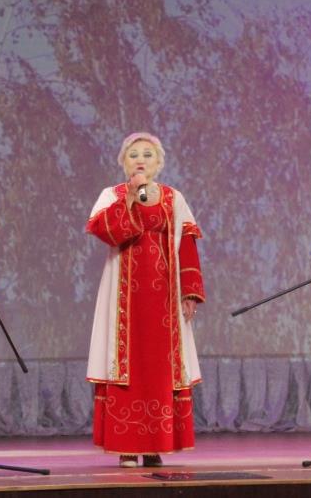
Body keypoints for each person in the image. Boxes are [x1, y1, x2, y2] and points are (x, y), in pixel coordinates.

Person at [85, 132, 206, 468]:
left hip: (164, 299)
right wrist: (130, 199)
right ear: (124, 162)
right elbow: (107, 231)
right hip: (123, 301)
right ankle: (127, 446)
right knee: (126, 364)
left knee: (161, 367)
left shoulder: (173, 197)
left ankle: (155, 445)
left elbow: (187, 244)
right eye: (134, 154)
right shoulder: (111, 195)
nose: (140, 160)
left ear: (159, 163)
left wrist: (190, 292)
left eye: (148, 154)